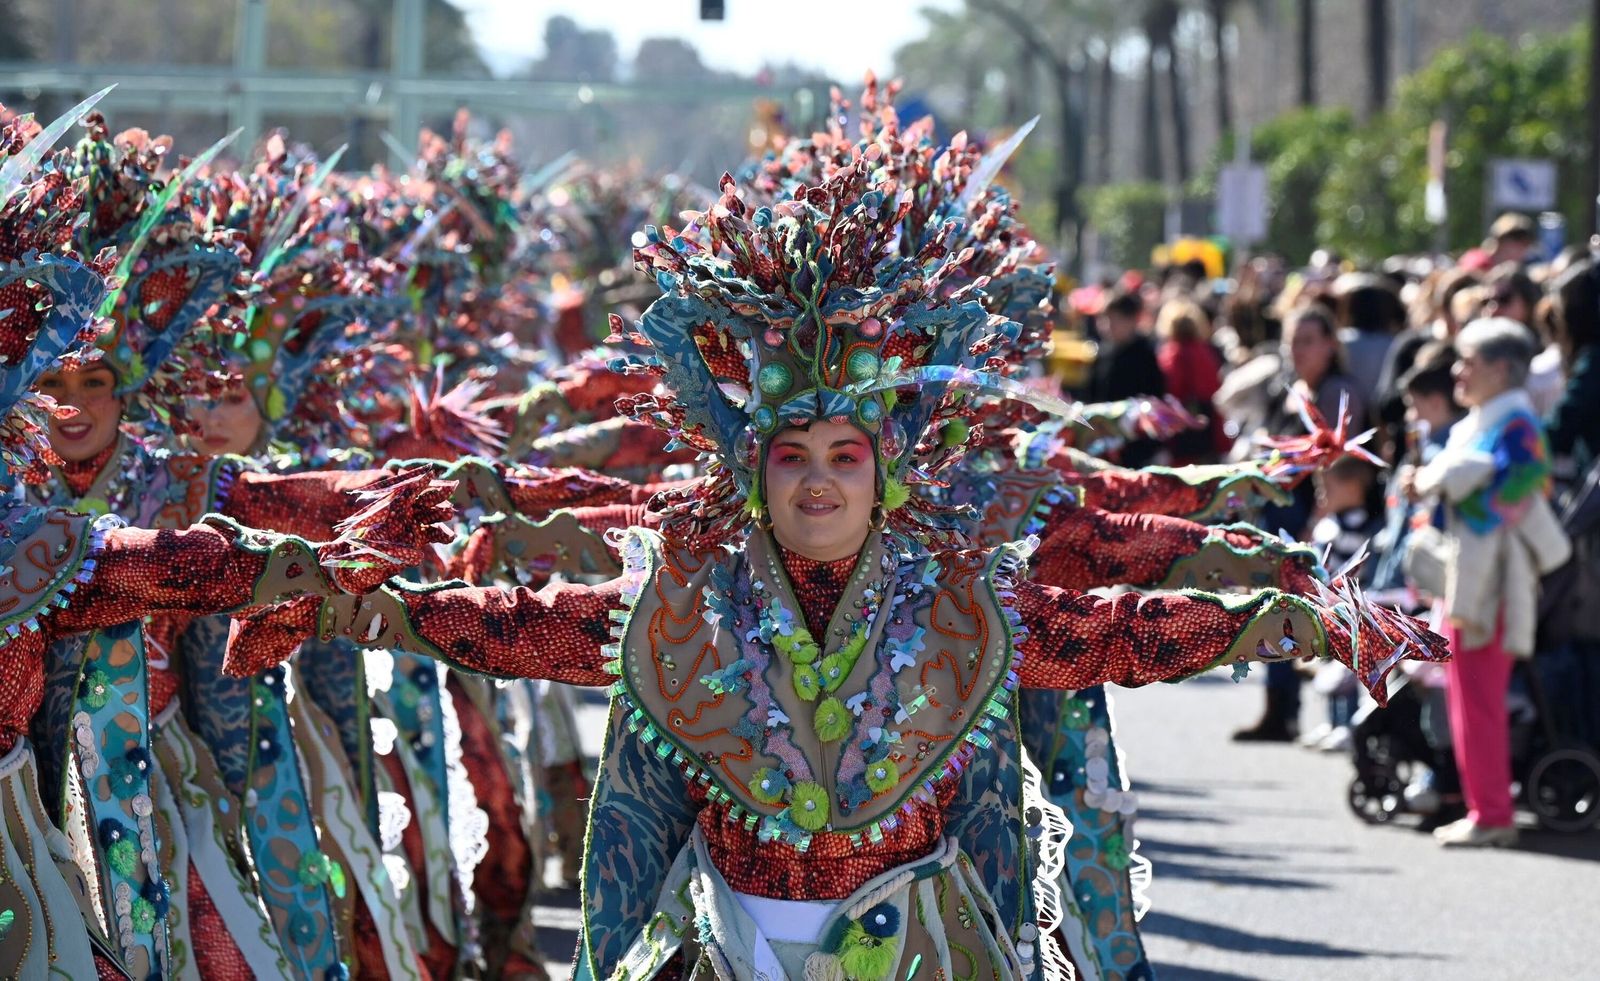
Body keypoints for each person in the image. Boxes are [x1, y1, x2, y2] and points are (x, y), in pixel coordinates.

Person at [226, 159, 1446, 980]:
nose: (818, 481)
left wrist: (1295, 617)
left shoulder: (972, 602)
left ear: (890, 467)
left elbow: (1117, 617)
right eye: (791, 455)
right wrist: (365, 605)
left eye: (845, 454)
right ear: (749, 471)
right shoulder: (681, 600)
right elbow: (520, 625)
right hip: (725, 945)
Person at [1399, 317, 1571, 847]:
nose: (1458, 371)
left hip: (1495, 580)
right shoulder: (1491, 421)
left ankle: (1492, 813)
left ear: (1501, 369)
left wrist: (1441, 484)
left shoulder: (1517, 425)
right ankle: (1485, 807)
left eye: (1468, 361)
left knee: (1478, 696)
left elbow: (1512, 497)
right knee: (1467, 694)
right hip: (1472, 575)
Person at [1231, 302, 1368, 742]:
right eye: (1294, 340)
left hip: (1323, 521)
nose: (1300, 349)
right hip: (1282, 516)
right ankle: (1280, 708)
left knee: (1311, 616)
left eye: (1309, 340)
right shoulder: (1289, 389)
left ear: (1330, 345)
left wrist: (1315, 523)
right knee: (1276, 611)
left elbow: (1341, 469)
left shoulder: (1338, 393)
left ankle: (1340, 717)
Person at [1085, 290, 1166, 466]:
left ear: (1133, 321)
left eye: (1114, 320)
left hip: (1135, 447)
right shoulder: (1104, 353)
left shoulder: (1145, 356)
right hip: (1103, 442)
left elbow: (1154, 401)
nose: (1107, 326)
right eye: (1104, 319)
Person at [1154, 298, 1226, 464]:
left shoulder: (1169, 355)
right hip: (1207, 433)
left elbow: (1169, 394)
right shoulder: (1206, 353)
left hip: (1179, 435)